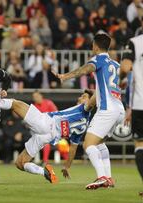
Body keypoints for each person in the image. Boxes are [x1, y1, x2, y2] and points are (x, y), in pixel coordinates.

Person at [0, 90, 96, 185]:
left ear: (91, 102)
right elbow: (73, 148)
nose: (80, 97)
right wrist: (67, 167)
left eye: (84, 96)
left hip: (46, 123)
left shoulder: (83, 108)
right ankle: (45, 172)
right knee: (20, 163)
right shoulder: (83, 126)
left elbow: (94, 98)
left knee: (15, 104)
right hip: (48, 136)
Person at [53, 33, 124, 189]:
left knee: (88, 144)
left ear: (96, 46)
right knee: (100, 143)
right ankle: (109, 178)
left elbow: (86, 69)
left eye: (92, 45)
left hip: (107, 109)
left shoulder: (98, 59)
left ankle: (102, 177)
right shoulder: (116, 65)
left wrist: (66, 76)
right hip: (119, 108)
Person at [119, 33, 143, 196]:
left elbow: (125, 68)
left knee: (140, 145)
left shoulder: (135, 42)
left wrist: (121, 77)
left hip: (141, 104)